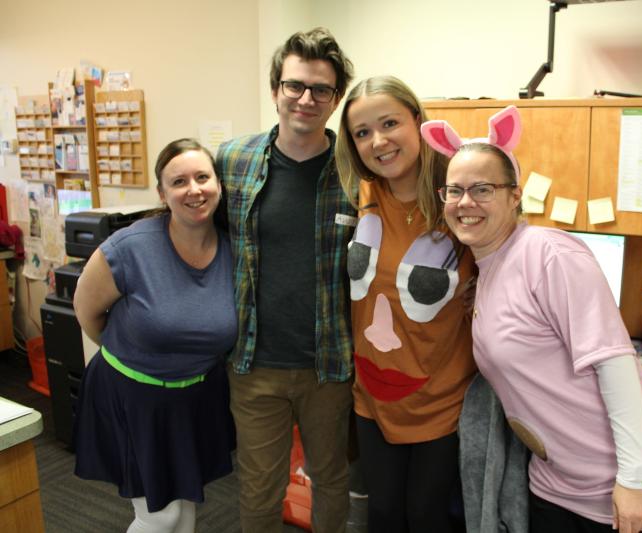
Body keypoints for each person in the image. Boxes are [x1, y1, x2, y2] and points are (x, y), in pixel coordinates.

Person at [421, 106, 642, 533]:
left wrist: (637, 479)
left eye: (482, 189)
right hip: (556, 485)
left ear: (515, 196)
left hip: (619, 489)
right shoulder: (488, 267)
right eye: (454, 190)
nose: (465, 202)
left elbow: (614, 362)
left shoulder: (548, 254)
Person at [214, 27, 356, 533]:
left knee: (331, 480)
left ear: (336, 98)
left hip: (329, 365)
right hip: (255, 365)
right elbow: (199, 239)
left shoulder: (356, 171)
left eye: (321, 89)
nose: (306, 99)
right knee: (259, 489)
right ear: (275, 89)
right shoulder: (232, 160)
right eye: (295, 85)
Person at [72, 138, 237, 533]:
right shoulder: (130, 248)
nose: (194, 190)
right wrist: (135, 352)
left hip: (195, 397)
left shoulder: (235, 249)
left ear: (218, 184)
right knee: (159, 515)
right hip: (133, 394)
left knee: (185, 503)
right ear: (162, 194)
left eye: (202, 177)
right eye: (179, 182)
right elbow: (87, 312)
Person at [335, 75, 477, 533]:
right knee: (382, 515)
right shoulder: (360, 196)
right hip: (372, 395)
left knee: (426, 518)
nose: (378, 141)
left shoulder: (460, 203)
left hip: (440, 400)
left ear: (418, 121)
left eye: (389, 123)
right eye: (362, 132)